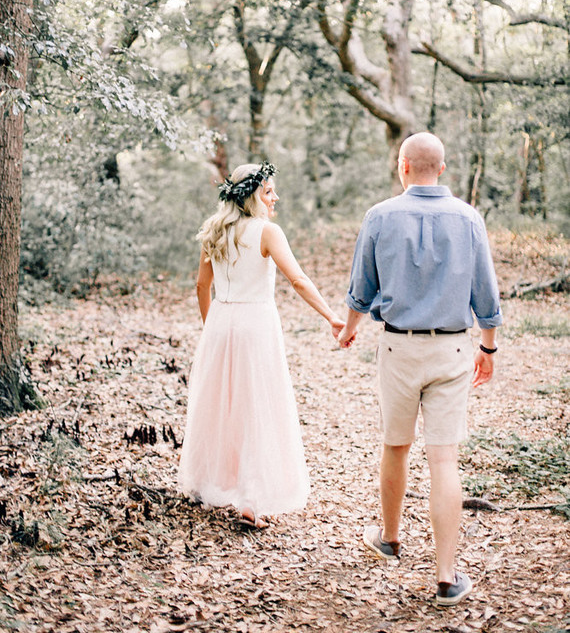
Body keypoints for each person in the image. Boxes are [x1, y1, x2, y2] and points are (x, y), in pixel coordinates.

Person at [337, 132, 502, 607]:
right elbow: (485, 295)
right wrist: (487, 348)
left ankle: (389, 539)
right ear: (443, 169)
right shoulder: (469, 218)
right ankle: (447, 577)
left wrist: (349, 330)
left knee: (396, 445)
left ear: (403, 165)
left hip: (397, 348)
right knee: (443, 459)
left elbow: (360, 290)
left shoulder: (380, 216)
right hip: (451, 350)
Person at [178, 161, 345, 528]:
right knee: (256, 404)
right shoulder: (268, 232)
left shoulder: (213, 230)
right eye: (269, 191)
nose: (275, 197)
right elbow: (298, 280)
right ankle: (251, 500)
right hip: (255, 325)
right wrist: (332, 317)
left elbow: (201, 287)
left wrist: (212, 328)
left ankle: (210, 483)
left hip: (221, 322)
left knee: (221, 405)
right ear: (254, 195)